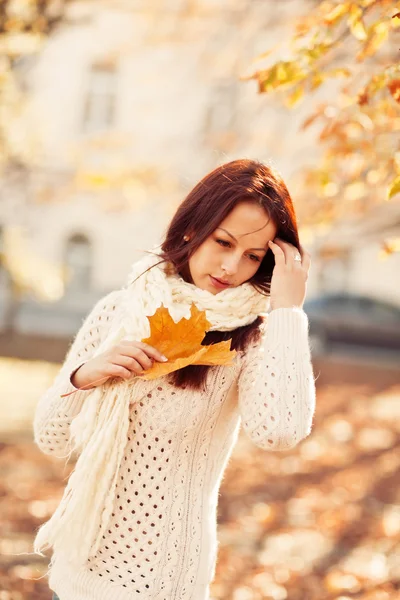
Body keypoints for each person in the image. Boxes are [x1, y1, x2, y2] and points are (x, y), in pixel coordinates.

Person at [33, 158, 316, 600]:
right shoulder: (119, 311)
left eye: (253, 256)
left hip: (164, 580)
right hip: (78, 569)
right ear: (192, 228)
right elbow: (51, 438)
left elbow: (280, 431)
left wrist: (287, 311)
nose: (231, 266)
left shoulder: (254, 339)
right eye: (223, 242)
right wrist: (85, 376)